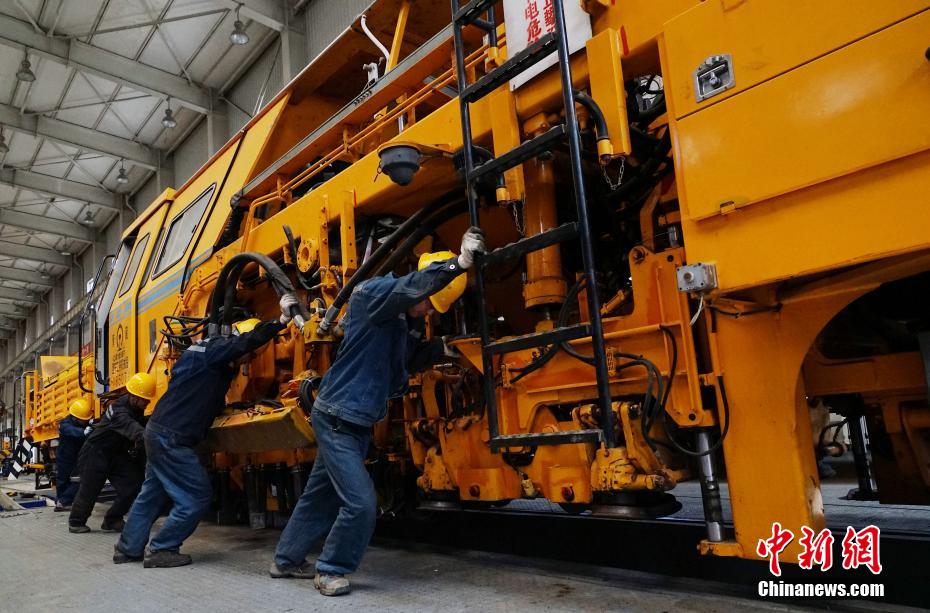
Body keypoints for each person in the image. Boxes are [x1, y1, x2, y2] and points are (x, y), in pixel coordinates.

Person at [270, 227, 486, 597]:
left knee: (320, 495)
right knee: (361, 503)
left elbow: (406, 360)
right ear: (419, 287)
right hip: (337, 415)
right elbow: (408, 289)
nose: (427, 311)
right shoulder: (375, 294)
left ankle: (285, 560)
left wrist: (441, 349)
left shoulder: (406, 322)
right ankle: (331, 569)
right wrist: (459, 263)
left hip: (357, 420)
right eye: (427, 303)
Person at [114, 294, 299, 568]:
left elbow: (196, 392)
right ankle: (162, 548)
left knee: (151, 496)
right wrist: (280, 321)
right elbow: (243, 343)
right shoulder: (219, 351)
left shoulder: (196, 353)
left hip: (157, 432)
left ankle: (127, 549)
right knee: (196, 496)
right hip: (172, 439)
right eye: (248, 356)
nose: (247, 360)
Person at [68, 372, 155, 533]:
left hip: (117, 454)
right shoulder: (118, 411)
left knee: (133, 484)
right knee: (90, 489)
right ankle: (76, 522)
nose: (147, 403)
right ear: (134, 396)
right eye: (145, 400)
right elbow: (137, 432)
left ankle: (112, 520)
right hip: (95, 452)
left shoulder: (135, 407)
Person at [54, 398, 93, 511]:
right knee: (63, 480)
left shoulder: (82, 423)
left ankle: (62, 502)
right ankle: (62, 502)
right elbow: (69, 430)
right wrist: (83, 432)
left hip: (77, 456)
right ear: (75, 417)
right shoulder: (64, 423)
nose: (85, 422)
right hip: (65, 457)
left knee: (76, 479)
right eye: (84, 420)